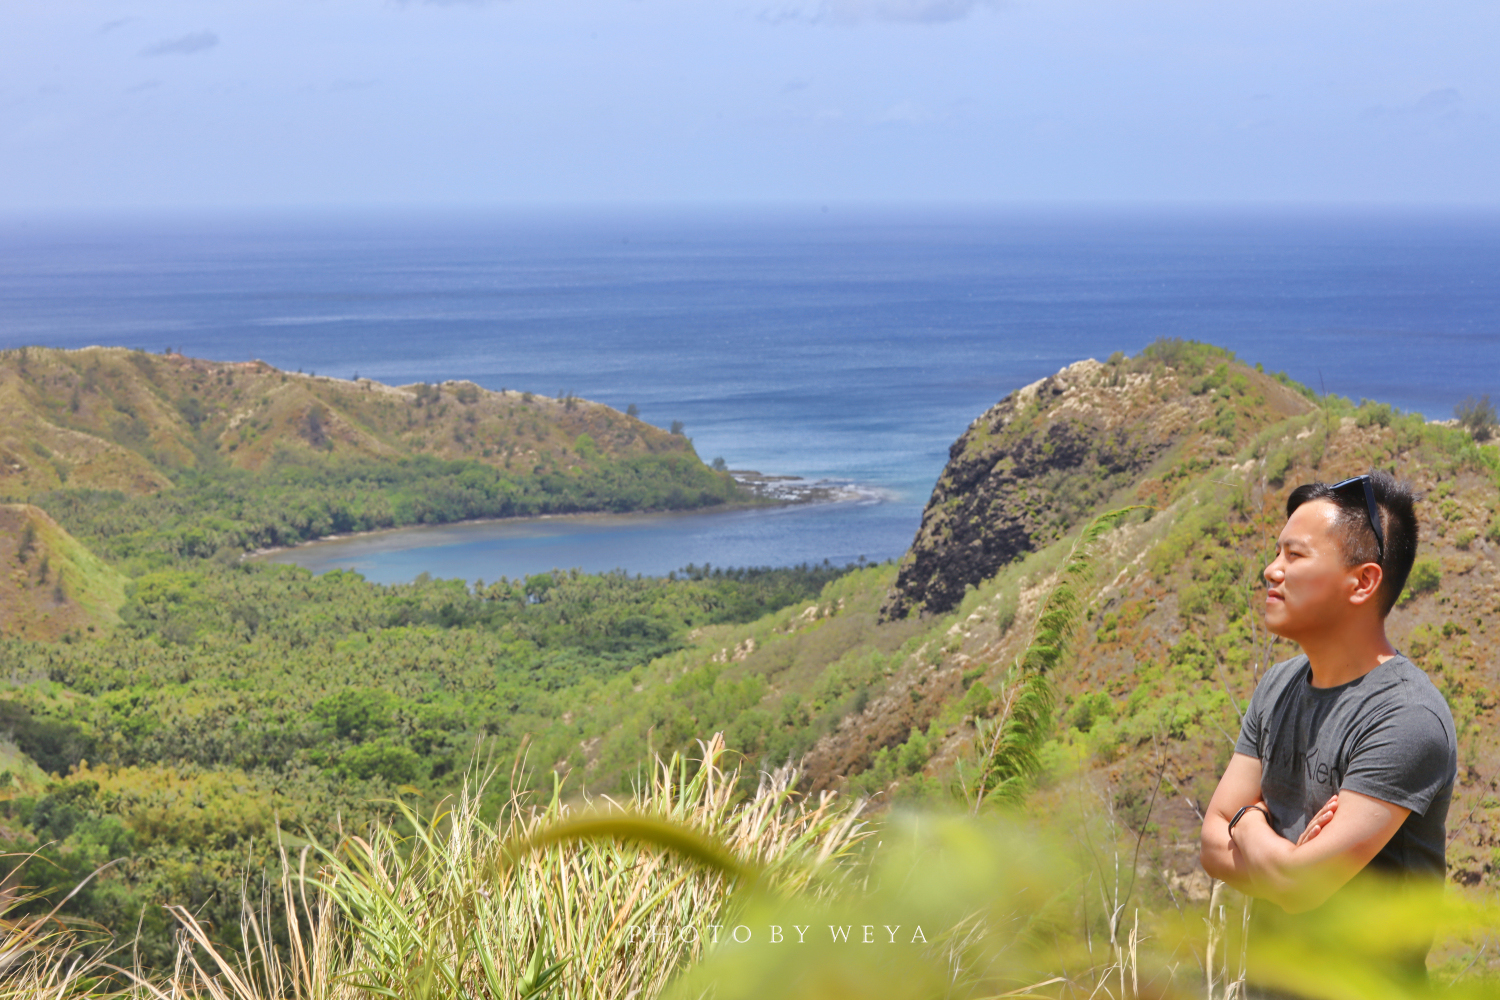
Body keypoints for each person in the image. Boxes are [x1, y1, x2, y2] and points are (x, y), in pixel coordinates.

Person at [1199, 470, 1456, 993]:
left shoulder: (1405, 717)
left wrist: (1247, 825)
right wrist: (1280, 853)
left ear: (1362, 581)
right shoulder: (1279, 684)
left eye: (1295, 557)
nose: (1272, 571)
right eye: (1277, 553)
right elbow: (1210, 844)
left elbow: (1296, 886)